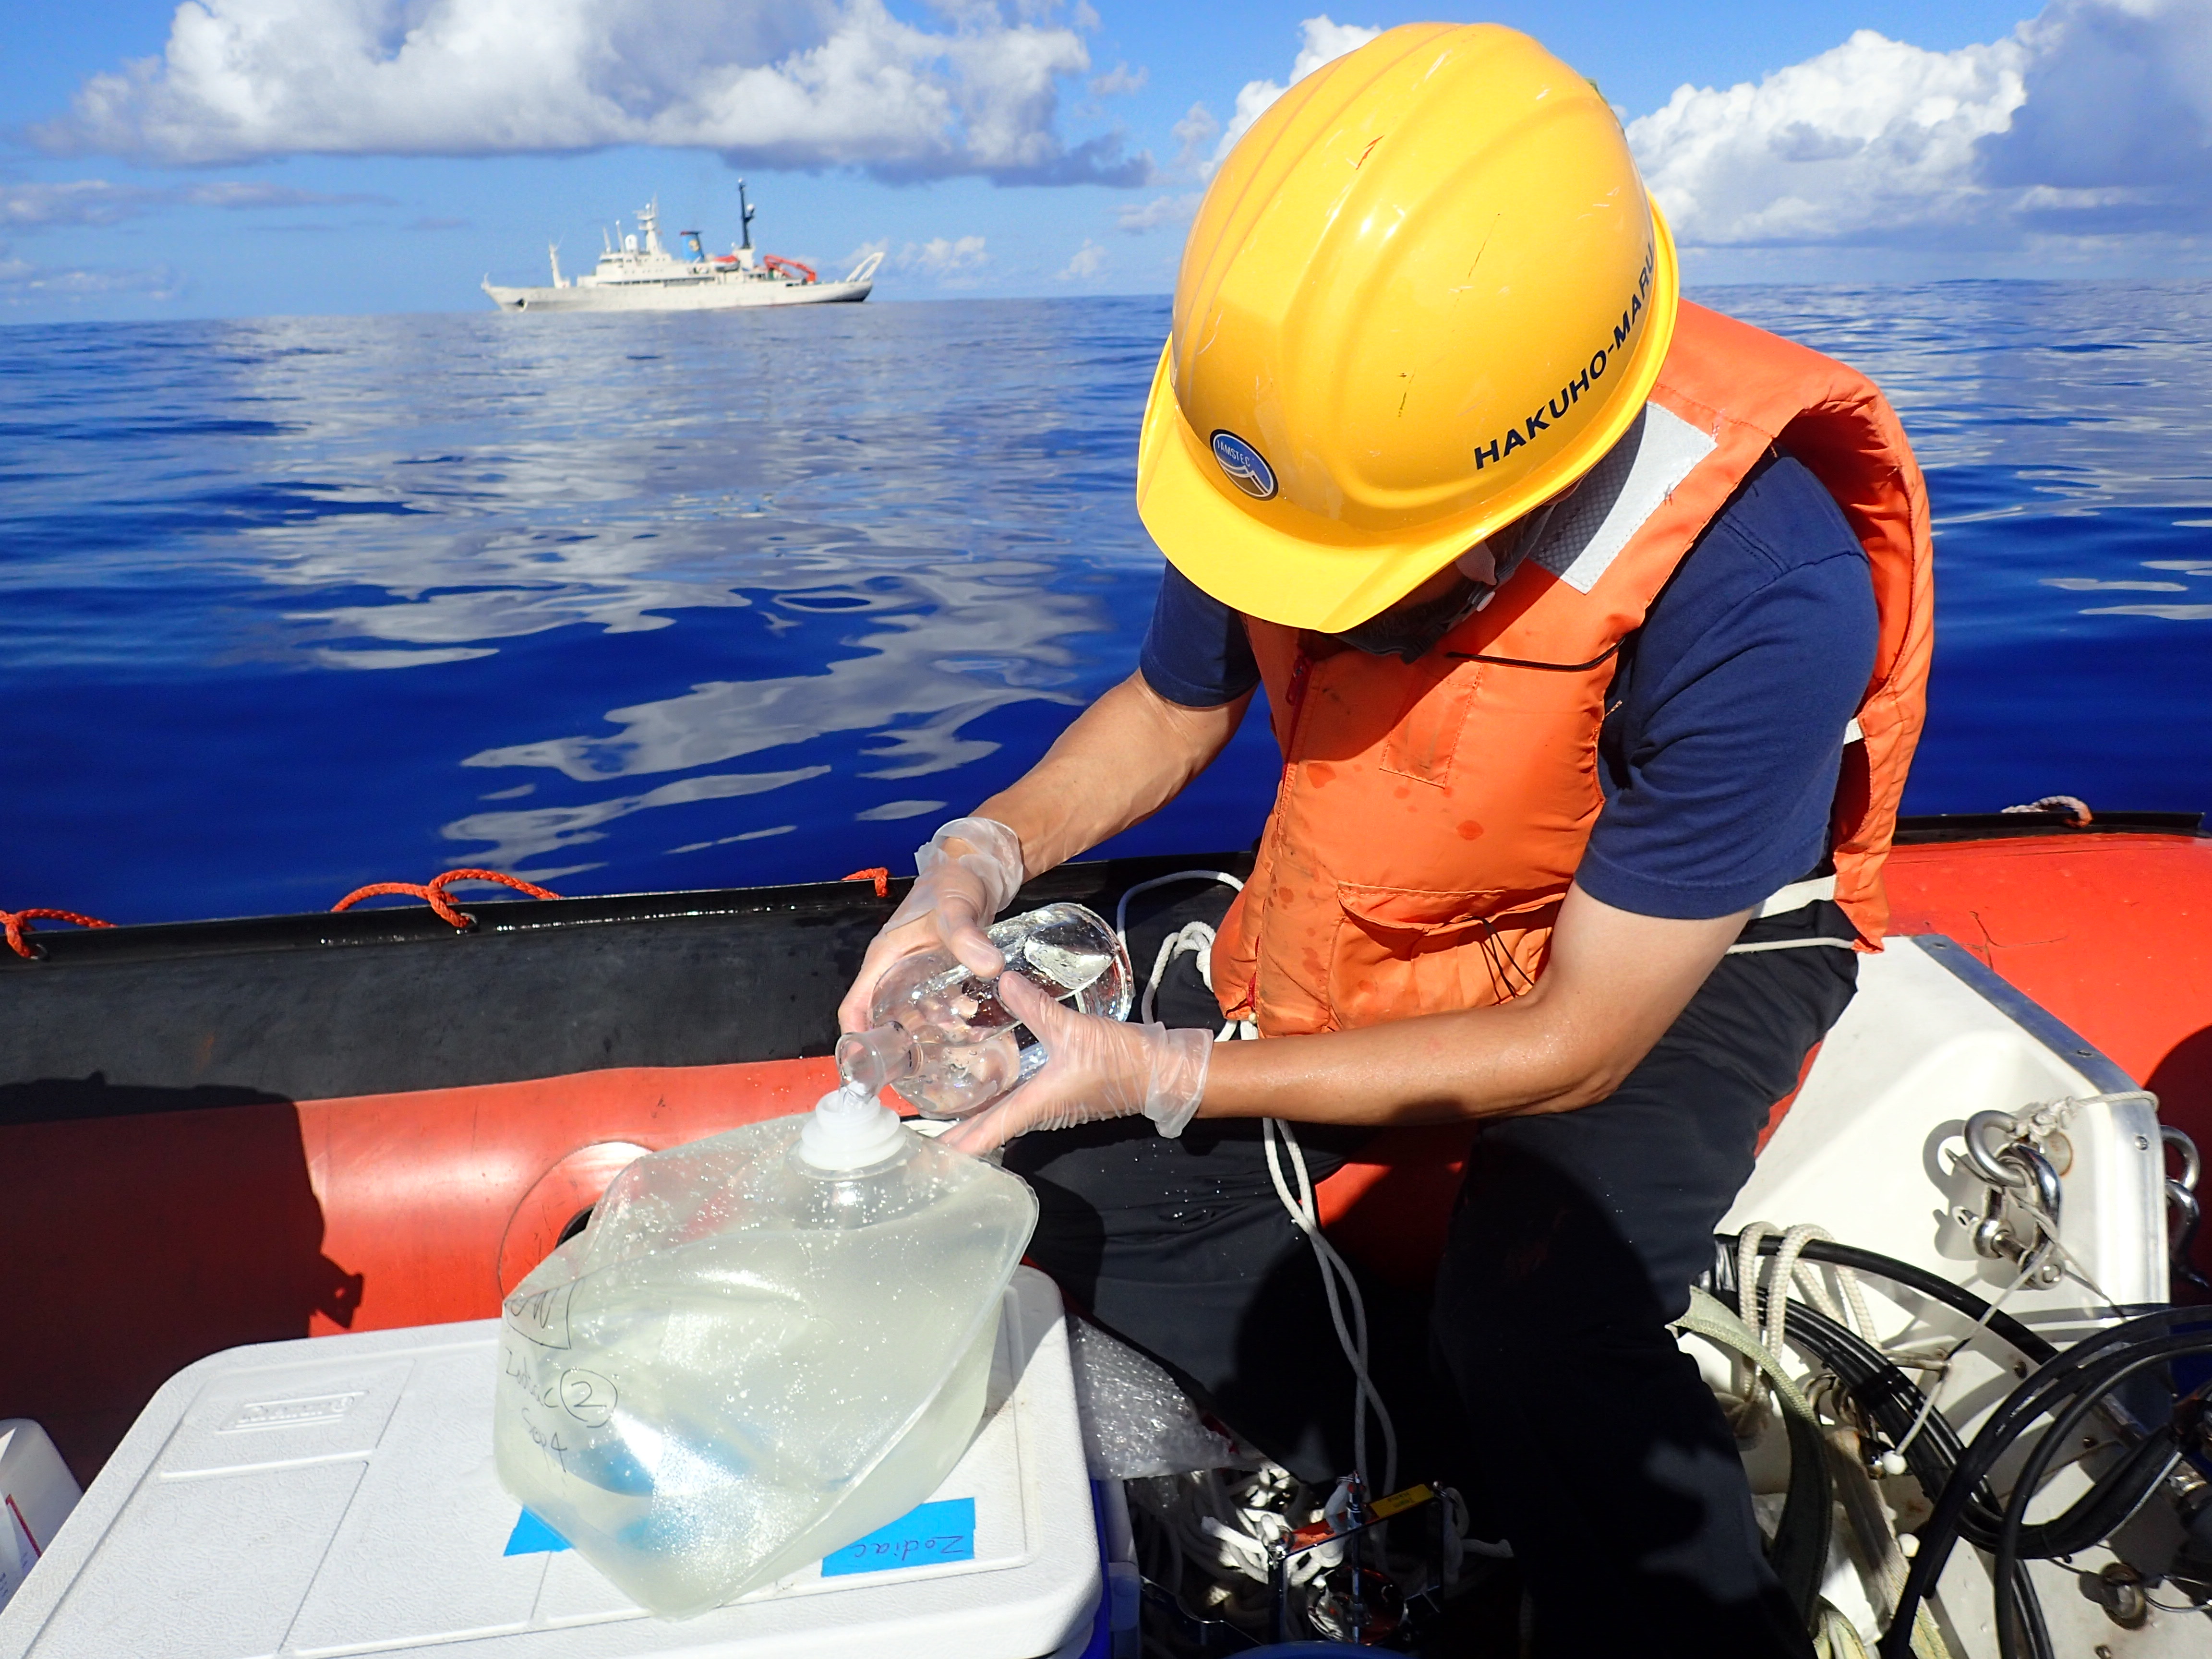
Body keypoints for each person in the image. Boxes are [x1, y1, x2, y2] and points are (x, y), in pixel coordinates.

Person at [838, 23, 1931, 1658]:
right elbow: (1170, 705)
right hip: (1428, 898)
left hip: (1684, 960)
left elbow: (1573, 1044)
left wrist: (1162, 1070)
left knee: (1538, 1317)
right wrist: (976, 857)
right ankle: (1414, 1509)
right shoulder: (1306, 445)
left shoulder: (1761, 586)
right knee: (1051, 1196)